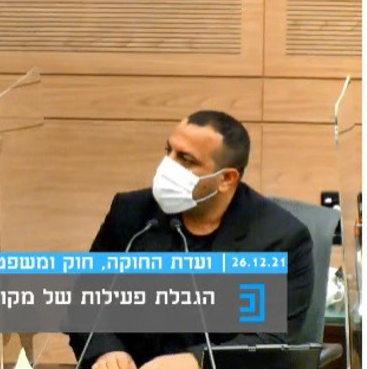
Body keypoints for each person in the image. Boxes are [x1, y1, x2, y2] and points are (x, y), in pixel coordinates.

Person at [69, 110, 314, 369]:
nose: (167, 166)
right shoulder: (132, 213)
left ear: (226, 179)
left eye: (185, 159)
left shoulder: (280, 240)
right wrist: (107, 351)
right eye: (169, 151)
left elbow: (271, 342)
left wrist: (197, 361)